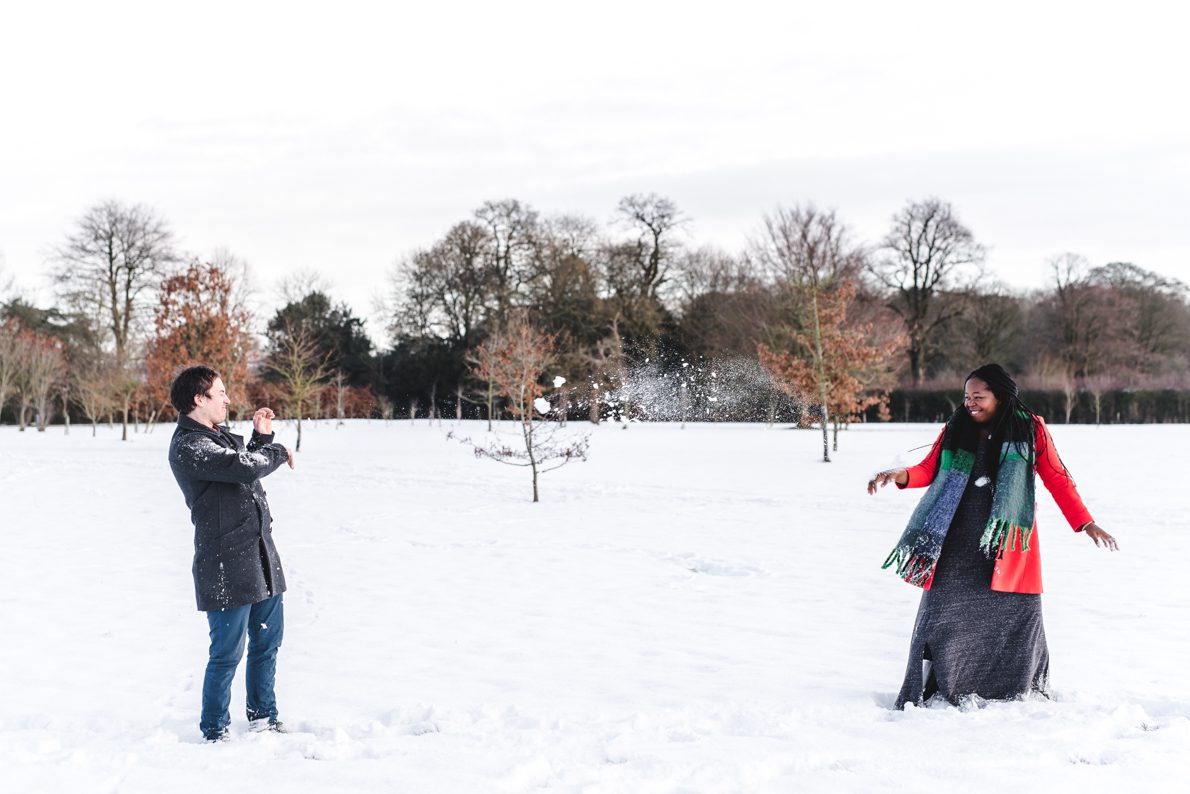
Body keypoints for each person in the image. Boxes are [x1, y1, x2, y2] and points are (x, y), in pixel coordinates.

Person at [867, 363, 1118, 708]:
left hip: (1006, 542)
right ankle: (948, 682)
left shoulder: (1030, 429)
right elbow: (929, 469)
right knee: (941, 613)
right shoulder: (956, 427)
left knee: (1014, 614)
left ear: (1000, 397)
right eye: (967, 397)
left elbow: (1057, 478)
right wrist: (900, 475)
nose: (970, 403)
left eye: (978, 397)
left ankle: (1012, 687)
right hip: (955, 538)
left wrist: (1085, 523)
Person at [167, 365, 295, 741]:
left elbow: (240, 469)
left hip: (260, 555)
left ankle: (263, 716)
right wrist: (276, 450)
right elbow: (242, 468)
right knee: (226, 654)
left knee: (267, 643)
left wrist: (260, 437)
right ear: (199, 399)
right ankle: (214, 729)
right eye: (220, 393)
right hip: (225, 564)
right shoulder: (190, 446)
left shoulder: (216, 437)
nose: (227, 399)